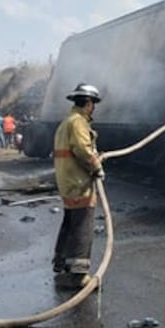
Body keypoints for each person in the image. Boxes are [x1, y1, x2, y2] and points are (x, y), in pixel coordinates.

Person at [52, 83, 104, 290]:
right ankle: (78, 276)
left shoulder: (67, 122)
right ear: (88, 103)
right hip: (79, 183)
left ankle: (62, 264)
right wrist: (96, 166)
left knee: (71, 223)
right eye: (93, 104)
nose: (94, 108)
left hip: (68, 182)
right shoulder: (78, 122)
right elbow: (82, 149)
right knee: (83, 227)